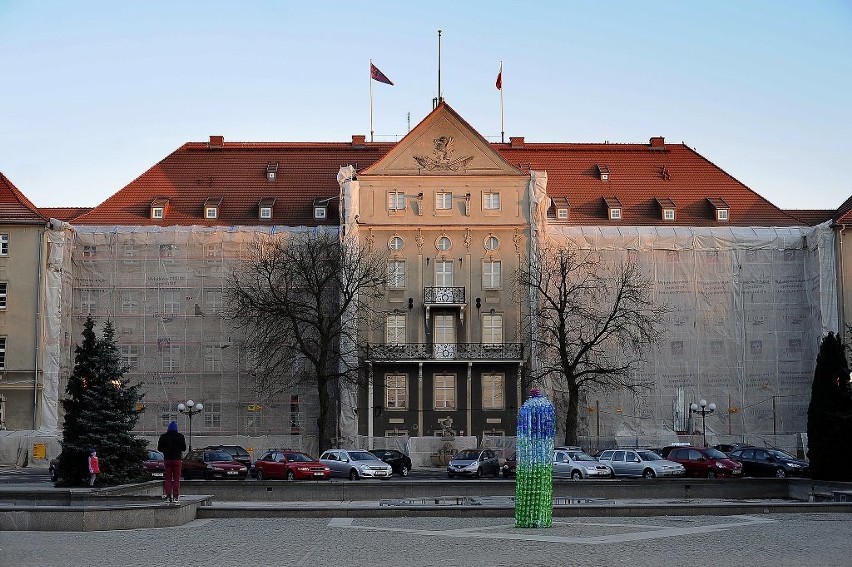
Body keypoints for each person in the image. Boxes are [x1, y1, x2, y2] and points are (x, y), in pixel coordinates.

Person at [157, 420, 187, 503]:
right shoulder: (180, 436)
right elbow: (184, 448)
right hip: (177, 460)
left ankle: (168, 496)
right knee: (177, 479)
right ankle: (176, 496)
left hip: (167, 460)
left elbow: (159, 449)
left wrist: (166, 450)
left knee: (168, 478)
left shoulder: (163, 436)